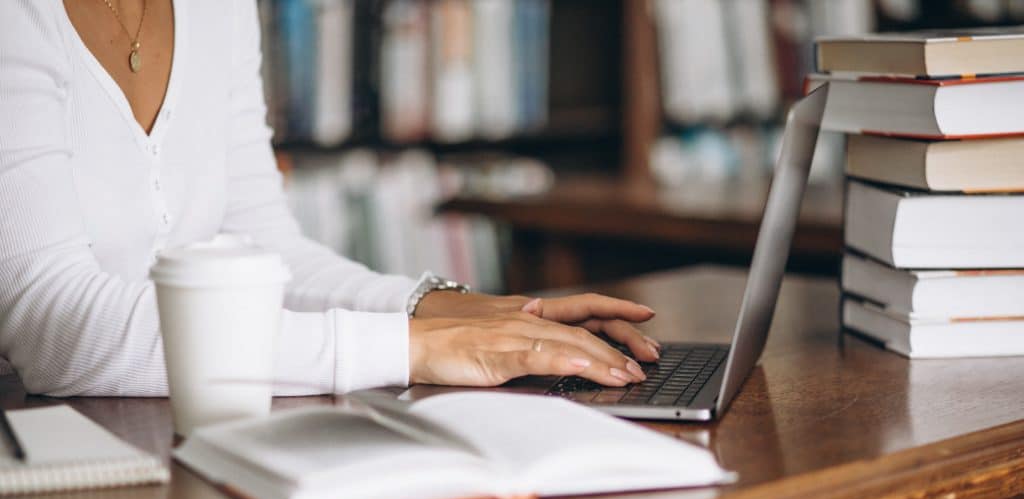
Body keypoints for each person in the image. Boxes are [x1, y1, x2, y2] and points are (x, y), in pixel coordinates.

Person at [0, 0, 660, 398]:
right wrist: (416, 347)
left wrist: (485, 314)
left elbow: (268, 253)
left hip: (182, 445)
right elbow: (52, 320)